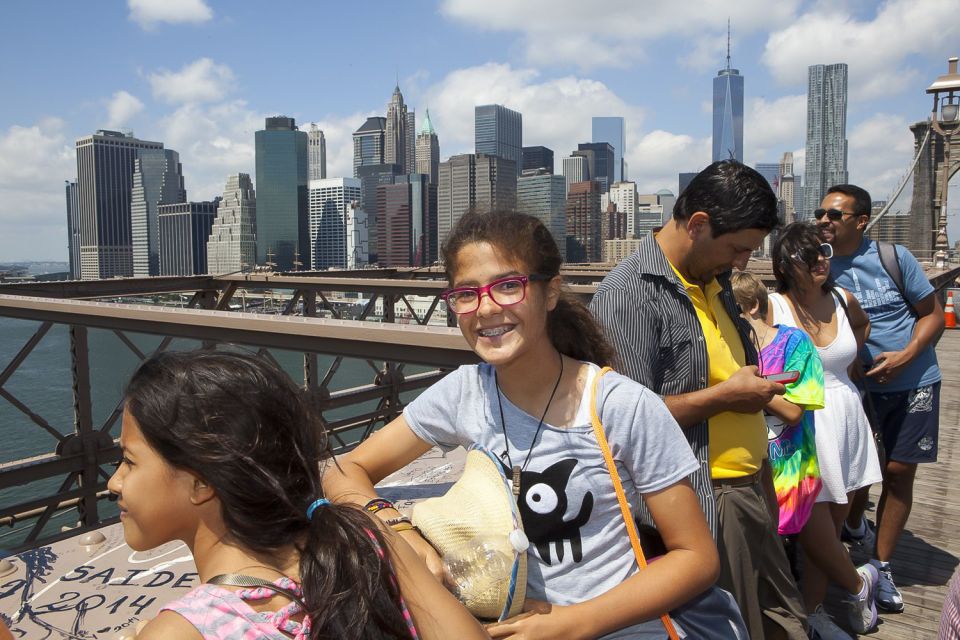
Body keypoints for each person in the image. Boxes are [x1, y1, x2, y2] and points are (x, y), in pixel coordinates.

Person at [323, 210, 722, 639]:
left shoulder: (619, 405)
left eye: (508, 286)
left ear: (550, 292)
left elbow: (696, 557)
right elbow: (344, 470)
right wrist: (397, 529)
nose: (487, 308)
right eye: (466, 294)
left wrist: (571, 623)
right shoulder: (465, 391)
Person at [107, 350, 487, 640]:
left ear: (200, 483)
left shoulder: (186, 630)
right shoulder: (365, 544)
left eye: (128, 461)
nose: (114, 483)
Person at [590, 160, 808, 639]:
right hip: (707, 499)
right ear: (698, 225)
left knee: (769, 615)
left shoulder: (714, 280)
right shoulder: (629, 293)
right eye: (737, 248)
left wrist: (746, 387)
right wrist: (726, 396)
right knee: (734, 624)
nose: (741, 263)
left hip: (751, 483)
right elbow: (622, 420)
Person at [819, 184, 945, 613]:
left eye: (835, 215)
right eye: (821, 213)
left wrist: (908, 354)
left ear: (861, 220)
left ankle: (883, 564)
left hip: (915, 381)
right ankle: (855, 526)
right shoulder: (820, 265)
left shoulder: (894, 258)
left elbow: (931, 313)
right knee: (858, 470)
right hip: (859, 388)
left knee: (898, 470)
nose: (825, 221)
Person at [768, 222, 883, 637]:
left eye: (824, 254)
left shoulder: (842, 298)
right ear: (785, 263)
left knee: (832, 525)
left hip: (846, 414)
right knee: (807, 523)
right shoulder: (772, 306)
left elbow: (863, 326)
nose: (821, 261)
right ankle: (857, 583)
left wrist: (846, 368)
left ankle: (815, 611)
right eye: (808, 255)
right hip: (802, 422)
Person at [730, 271, 824, 538]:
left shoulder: (795, 343)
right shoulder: (731, 352)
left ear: (754, 305)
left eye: (732, 309)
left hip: (791, 475)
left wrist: (752, 388)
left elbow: (794, 411)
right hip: (750, 476)